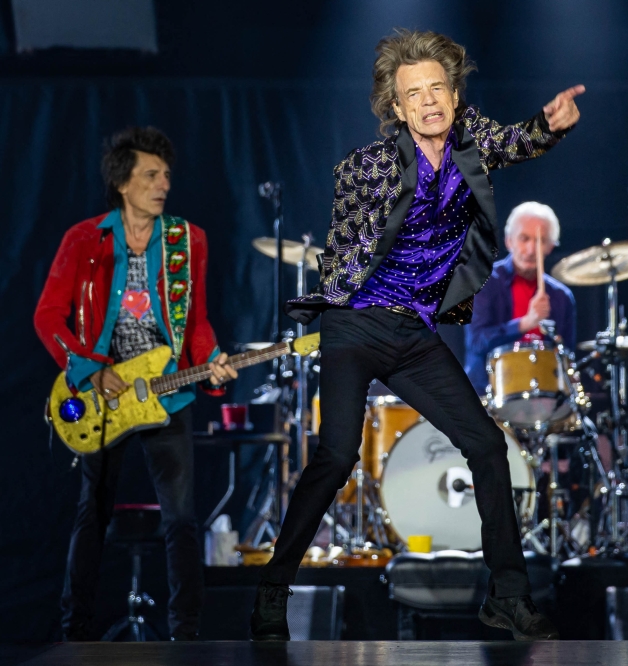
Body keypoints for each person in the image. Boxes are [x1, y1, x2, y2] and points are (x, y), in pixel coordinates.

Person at [251, 29, 583, 642]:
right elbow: (345, 252)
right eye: (414, 94)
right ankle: (273, 589)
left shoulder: (470, 141)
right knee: (337, 455)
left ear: (454, 96)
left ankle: (508, 596)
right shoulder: (367, 167)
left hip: (413, 333)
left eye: (437, 88)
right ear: (398, 109)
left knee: (487, 446)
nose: (429, 100)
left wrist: (550, 124)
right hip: (357, 324)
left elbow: (518, 141)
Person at [34, 126, 237, 641]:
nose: (163, 183)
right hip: (103, 395)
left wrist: (211, 360)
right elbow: (48, 316)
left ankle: (186, 634)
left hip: (167, 392)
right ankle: (76, 634)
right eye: (151, 175)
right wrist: (87, 370)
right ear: (123, 183)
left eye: (166, 174)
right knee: (93, 512)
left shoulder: (187, 240)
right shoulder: (85, 239)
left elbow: (196, 321)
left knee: (182, 519)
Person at [464, 202, 576, 394]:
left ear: (551, 247)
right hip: (488, 394)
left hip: (544, 394)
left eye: (540, 241)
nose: (531, 249)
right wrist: (525, 323)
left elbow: (567, 355)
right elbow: (476, 342)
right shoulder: (484, 281)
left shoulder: (561, 296)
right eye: (524, 239)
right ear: (509, 241)